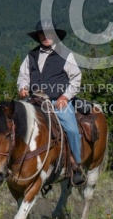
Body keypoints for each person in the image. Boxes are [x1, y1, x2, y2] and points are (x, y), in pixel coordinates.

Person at [17, 20, 85, 185]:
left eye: (48, 33)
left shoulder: (66, 55)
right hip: (34, 101)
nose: (45, 36)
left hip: (57, 101)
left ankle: (76, 165)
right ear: (38, 36)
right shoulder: (31, 56)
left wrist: (65, 97)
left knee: (72, 130)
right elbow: (23, 77)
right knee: (16, 126)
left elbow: (76, 78)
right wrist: (23, 87)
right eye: (42, 33)